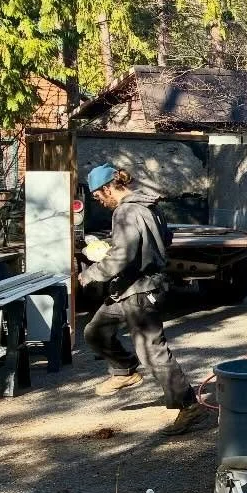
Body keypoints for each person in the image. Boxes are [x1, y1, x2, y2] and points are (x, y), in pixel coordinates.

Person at [79, 164, 206, 435]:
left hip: (140, 289)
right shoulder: (149, 207)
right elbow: (165, 237)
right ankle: (125, 370)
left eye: (98, 196)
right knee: (95, 331)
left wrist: (92, 273)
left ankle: (188, 405)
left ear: (107, 187)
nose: (99, 202)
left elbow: (123, 255)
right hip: (127, 287)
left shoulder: (126, 211)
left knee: (151, 350)